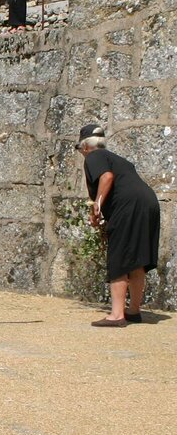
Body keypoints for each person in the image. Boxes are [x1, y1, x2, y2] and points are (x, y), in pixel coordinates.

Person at [76, 124, 160, 327]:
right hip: (148, 202)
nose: (81, 153)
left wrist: (97, 203)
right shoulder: (116, 159)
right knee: (136, 259)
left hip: (128, 205)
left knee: (119, 255)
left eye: (79, 149)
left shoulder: (94, 156)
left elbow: (107, 177)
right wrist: (97, 208)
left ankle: (116, 315)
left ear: (86, 146)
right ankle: (133, 311)